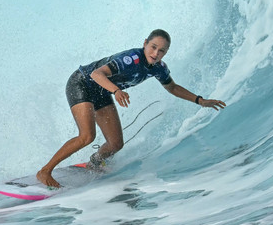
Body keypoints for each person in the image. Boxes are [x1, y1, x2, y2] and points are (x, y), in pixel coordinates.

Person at [37, 29, 226, 187]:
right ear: (145, 43)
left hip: (103, 91)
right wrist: (116, 90)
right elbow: (96, 74)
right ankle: (45, 171)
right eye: (153, 47)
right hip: (83, 83)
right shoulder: (131, 59)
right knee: (87, 136)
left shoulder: (159, 68)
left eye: (161, 51)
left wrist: (200, 100)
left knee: (115, 144)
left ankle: (94, 162)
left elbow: (173, 87)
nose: (155, 53)